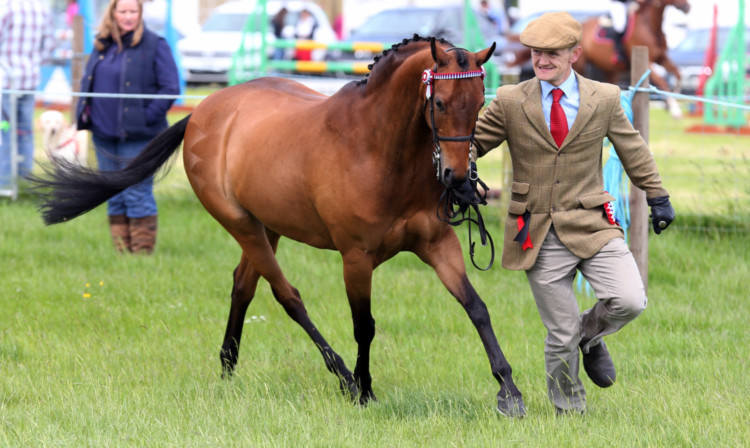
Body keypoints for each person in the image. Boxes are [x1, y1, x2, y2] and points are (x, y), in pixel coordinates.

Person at [472, 12, 675, 415]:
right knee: (558, 332)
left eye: (552, 53)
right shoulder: (512, 100)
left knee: (630, 300)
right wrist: (455, 169)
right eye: (536, 52)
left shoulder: (604, 97)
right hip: (536, 230)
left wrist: (657, 195)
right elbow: (471, 144)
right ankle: (570, 413)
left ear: (575, 54)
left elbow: (632, 149)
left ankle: (590, 335)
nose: (542, 60)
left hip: (592, 224)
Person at [76, 0, 179, 254]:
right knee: (113, 192)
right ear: (113, 13)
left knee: (137, 191)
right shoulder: (102, 44)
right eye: (123, 11)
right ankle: (122, 253)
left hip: (140, 135)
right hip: (103, 134)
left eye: (133, 11)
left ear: (140, 13)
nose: (128, 16)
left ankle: (141, 254)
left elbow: (170, 89)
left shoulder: (156, 44)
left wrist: (144, 117)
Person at [0, 0, 55, 188]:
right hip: (30, 79)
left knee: (5, 130)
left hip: (5, 81)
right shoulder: (42, 9)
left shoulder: (6, 8)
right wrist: (32, 63)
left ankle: (5, 185)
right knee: (24, 132)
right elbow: (49, 48)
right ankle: (25, 183)